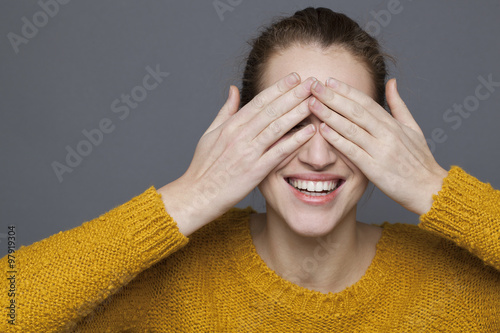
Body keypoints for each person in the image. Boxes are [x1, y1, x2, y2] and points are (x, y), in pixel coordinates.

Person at [2, 7, 499, 332]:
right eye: (288, 122)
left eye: (346, 125)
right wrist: (191, 195)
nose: (318, 157)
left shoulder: (453, 287)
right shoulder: (171, 281)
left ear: (386, 139)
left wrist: (434, 189)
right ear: (241, 132)